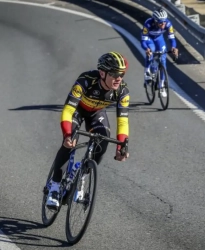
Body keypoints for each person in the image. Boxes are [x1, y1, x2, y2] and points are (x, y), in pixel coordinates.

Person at [46, 51, 130, 209]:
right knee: (70, 143)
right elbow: (67, 110)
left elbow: (123, 121)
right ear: (102, 73)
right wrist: (67, 135)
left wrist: (122, 146)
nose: (119, 78)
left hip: (96, 113)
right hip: (77, 110)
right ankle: (55, 186)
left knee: (103, 141)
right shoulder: (86, 80)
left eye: (122, 73)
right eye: (114, 74)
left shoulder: (122, 91)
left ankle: (83, 175)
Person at [140, 8, 178, 97]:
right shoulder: (148, 24)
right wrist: (147, 49)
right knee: (151, 49)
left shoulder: (168, 24)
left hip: (158, 38)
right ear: (156, 21)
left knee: (163, 59)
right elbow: (143, 41)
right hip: (149, 38)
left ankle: (162, 86)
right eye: (161, 22)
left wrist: (173, 48)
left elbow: (172, 38)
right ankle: (147, 72)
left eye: (164, 22)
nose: (163, 24)